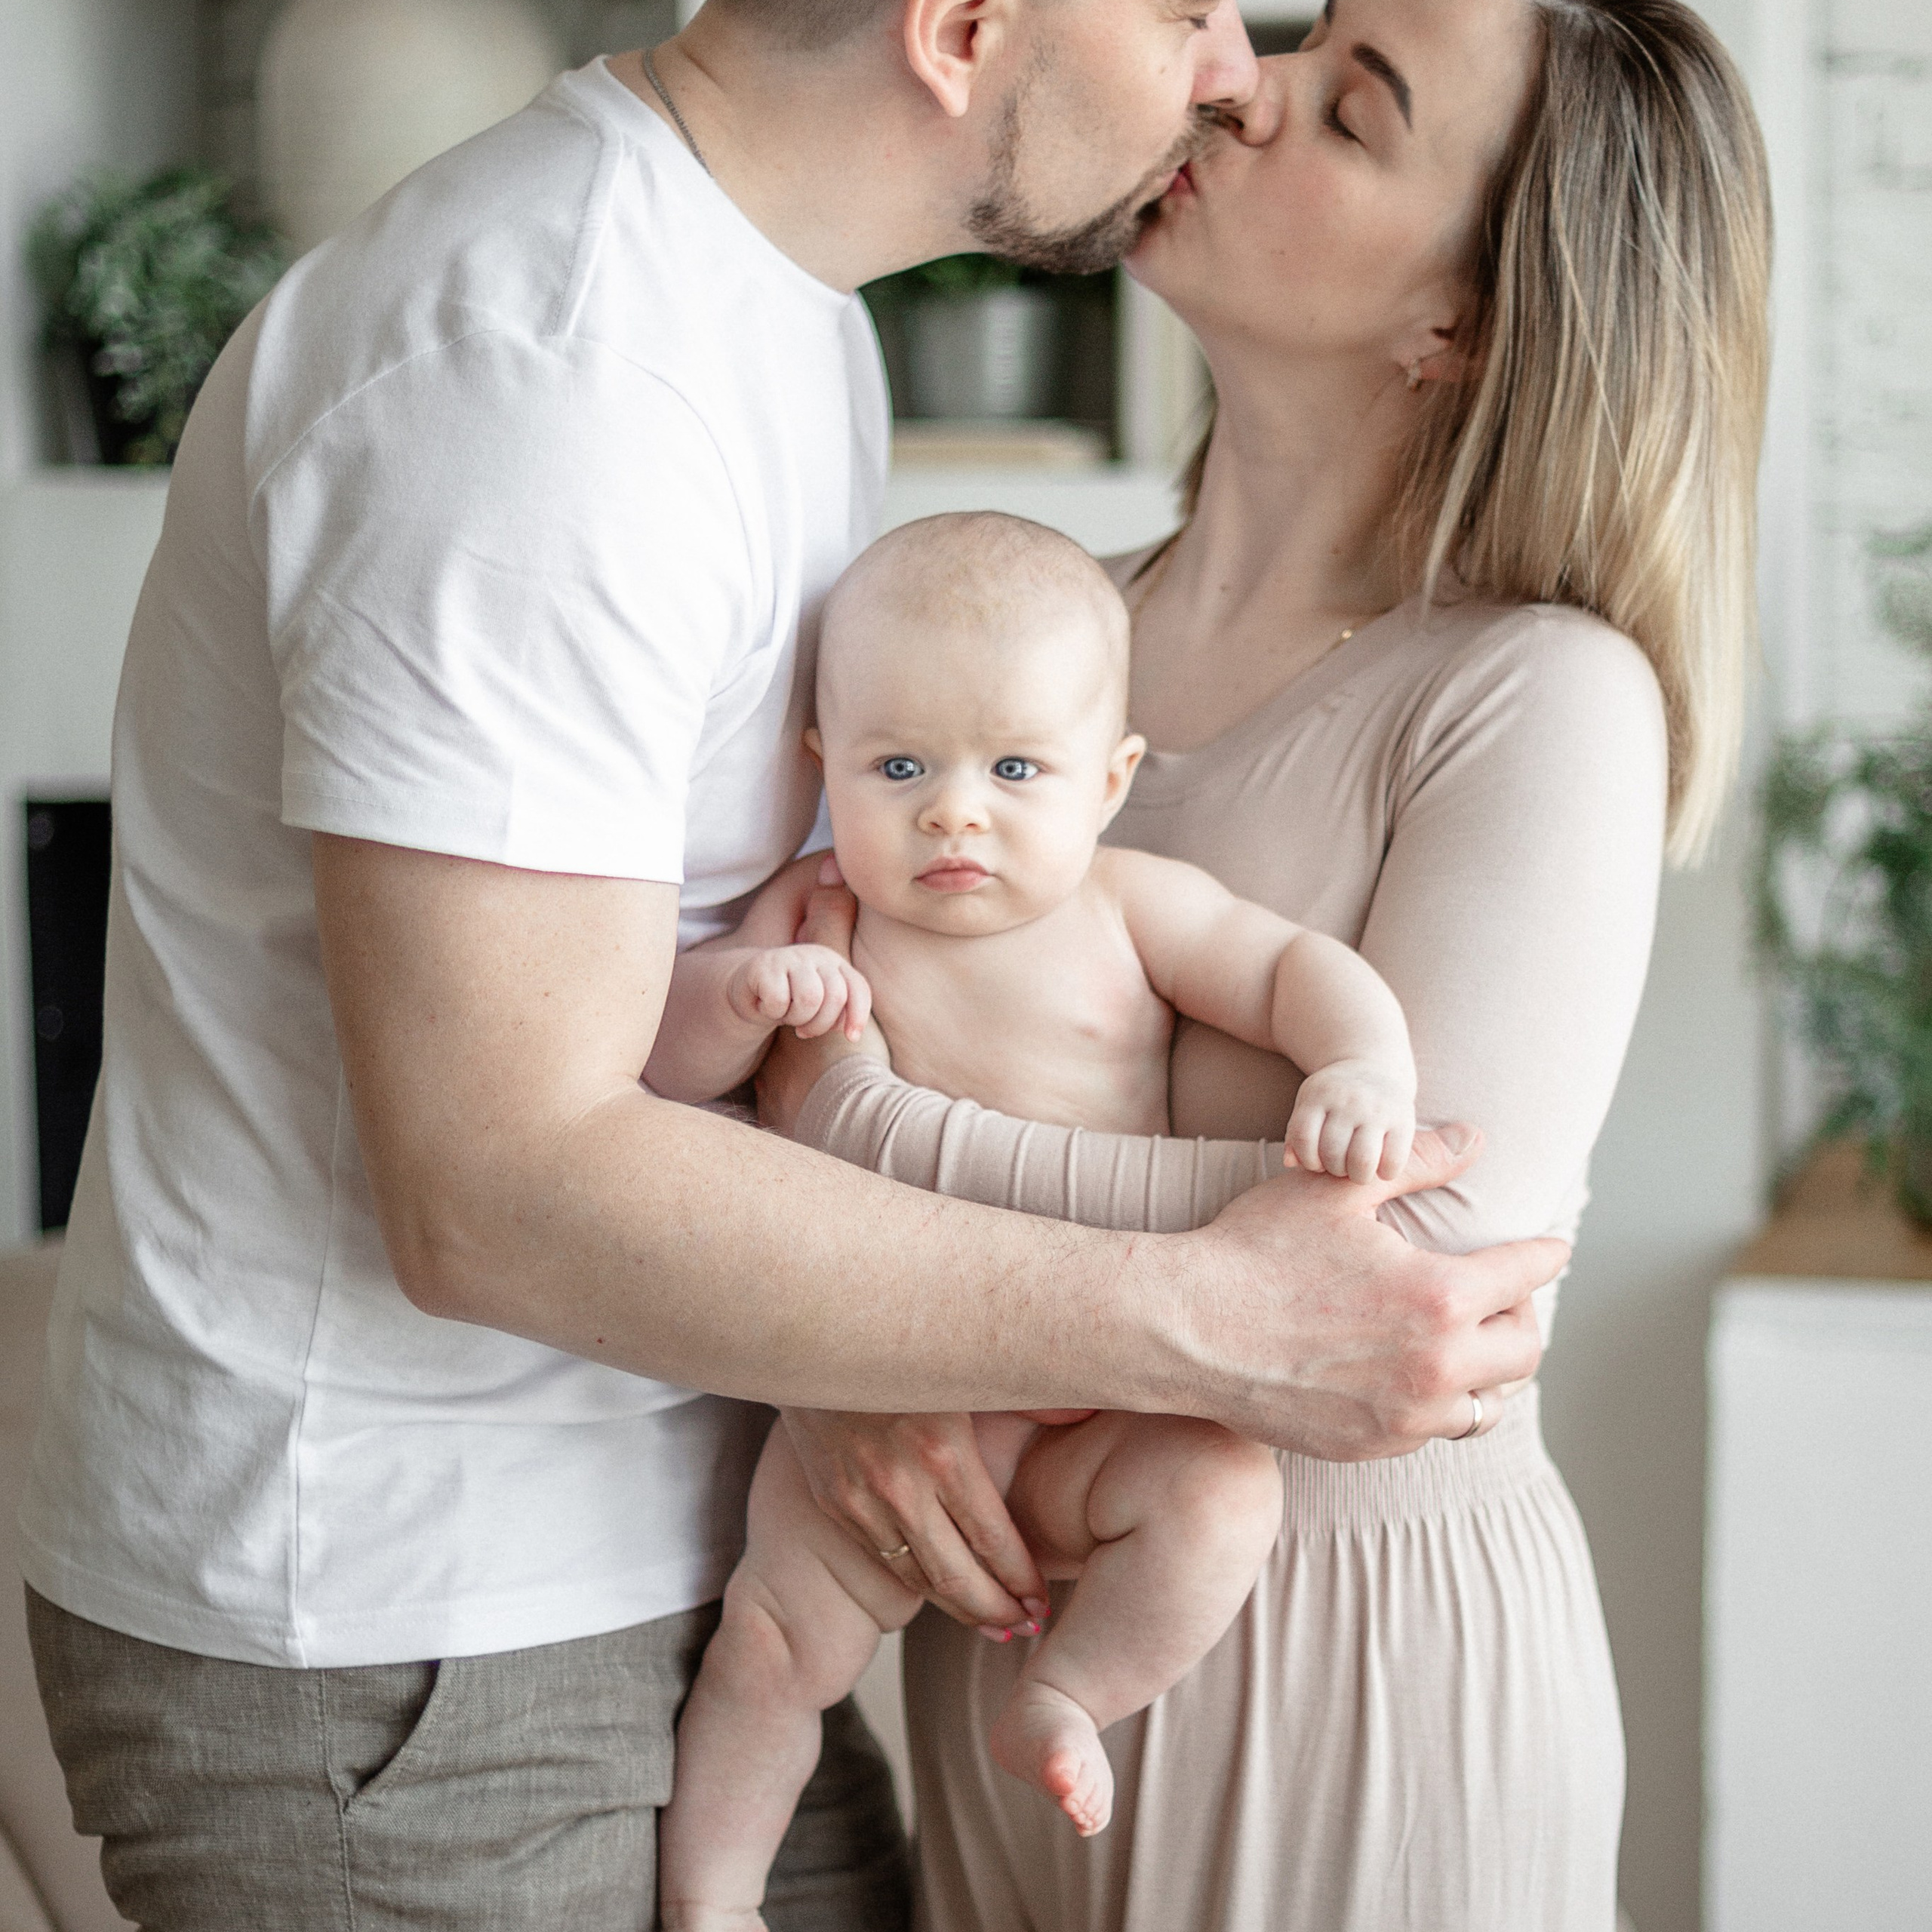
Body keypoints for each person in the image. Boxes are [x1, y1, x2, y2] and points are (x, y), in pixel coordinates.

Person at [20, 3, 1564, 1928]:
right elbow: (498, 1192)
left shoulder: (788, 321)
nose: (1225, 70)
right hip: (410, 1635)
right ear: (965, 27)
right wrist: (1198, 1317)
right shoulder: (546, 378)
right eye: (1178, 10)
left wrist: (891, 1336)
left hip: (651, 1533)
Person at [760, 0, 1772, 1924]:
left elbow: (1406, 1258)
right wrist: (855, 1298)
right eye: (1291, 35)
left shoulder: (1537, 694)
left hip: (1352, 1683)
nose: (1235, 75)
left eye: (1349, 107)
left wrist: (848, 1139)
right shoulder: (1030, 642)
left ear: (1458, 322)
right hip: (1011, 1611)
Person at [653, 511, 1420, 1924]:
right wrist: (742, 1003)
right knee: (769, 1644)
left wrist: (1363, 1065)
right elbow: (661, 1076)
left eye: (1015, 769)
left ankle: (1066, 1694)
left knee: (1218, 1496)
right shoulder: (821, 912)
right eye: (901, 768)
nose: (956, 810)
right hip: (879, 1386)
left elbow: (1288, 968)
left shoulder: (1132, 909)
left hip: (1103, 1395)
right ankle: (714, 1898)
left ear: (1111, 778)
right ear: (823, 767)